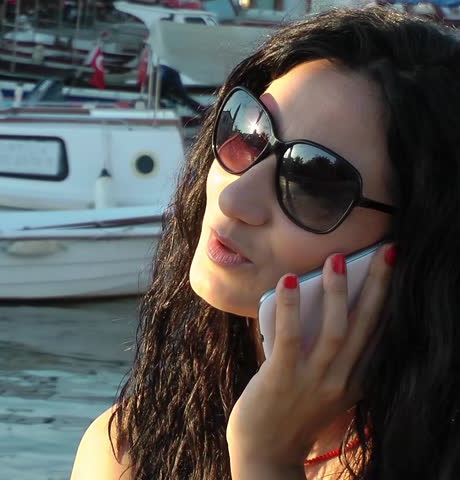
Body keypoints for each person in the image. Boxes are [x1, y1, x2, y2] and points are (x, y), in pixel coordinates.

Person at [71, 6, 460, 480]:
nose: (235, 195)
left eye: (311, 181)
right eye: (247, 132)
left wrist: (267, 458)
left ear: (418, 243)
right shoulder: (129, 448)